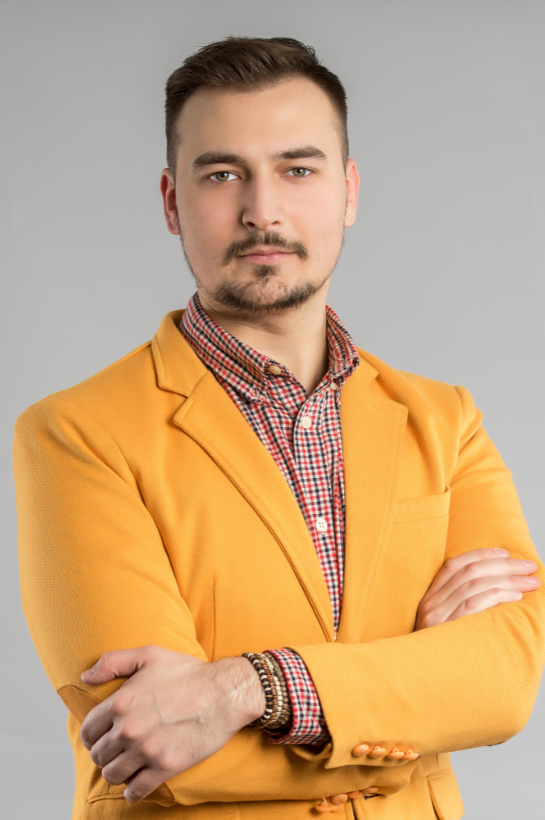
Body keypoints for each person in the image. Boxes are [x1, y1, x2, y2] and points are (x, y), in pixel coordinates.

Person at [14, 37, 544, 820]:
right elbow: (154, 745)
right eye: (222, 174)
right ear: (171, 201)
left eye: (297, 170)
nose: (261, 210)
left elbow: (504, 681)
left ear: (348, 191)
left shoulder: (446, 421)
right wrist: (413, 704)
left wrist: (246, 687)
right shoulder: (75, 434)